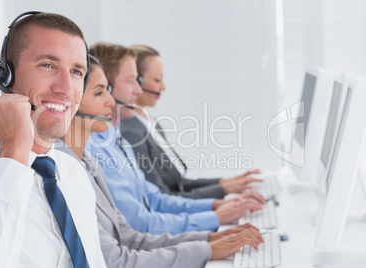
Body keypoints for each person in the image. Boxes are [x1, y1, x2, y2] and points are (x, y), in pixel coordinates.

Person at [57, 55, 264, 267]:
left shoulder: (89, 162)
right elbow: (121, 252)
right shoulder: (69, 170)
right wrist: (208, 239)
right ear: (71, 103)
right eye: (100, 92)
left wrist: (208, 240)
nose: (111, 100)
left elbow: (132, 232)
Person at [0, 12, 106, 267]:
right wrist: (14, 153)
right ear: (4, 75)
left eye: (76, 72)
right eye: (48, 65)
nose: (66, 88)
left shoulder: (73, 172)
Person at [86, 42, 265, 235]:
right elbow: (141, 223)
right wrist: (215, 216)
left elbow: (155, 199)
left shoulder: (116, 137)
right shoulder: (107, 145)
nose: (138, 90)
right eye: (132, 80)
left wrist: (215, 205)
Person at [120, 44, 264, 199]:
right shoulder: (131, 133)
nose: (163, 87)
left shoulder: (149, 121)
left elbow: (178, 183)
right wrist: (221, 193)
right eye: (157, 79)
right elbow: (164, 196)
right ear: (137, 82)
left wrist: (224, 183)